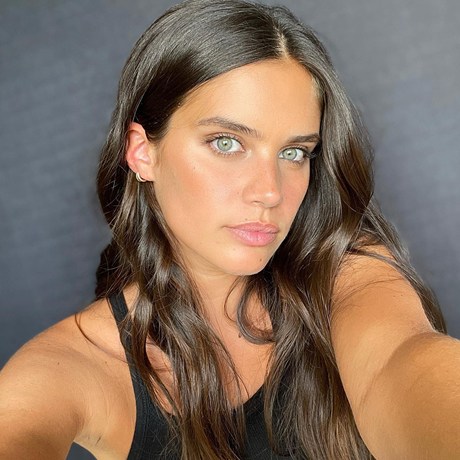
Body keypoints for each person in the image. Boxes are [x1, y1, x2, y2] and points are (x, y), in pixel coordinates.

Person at [1, 0, 459, 458]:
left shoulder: (344, 276)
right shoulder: (75, 364)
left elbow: (400, 361)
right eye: (226, 143)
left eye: (294, 153)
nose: (269, 192)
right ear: (142, 153)